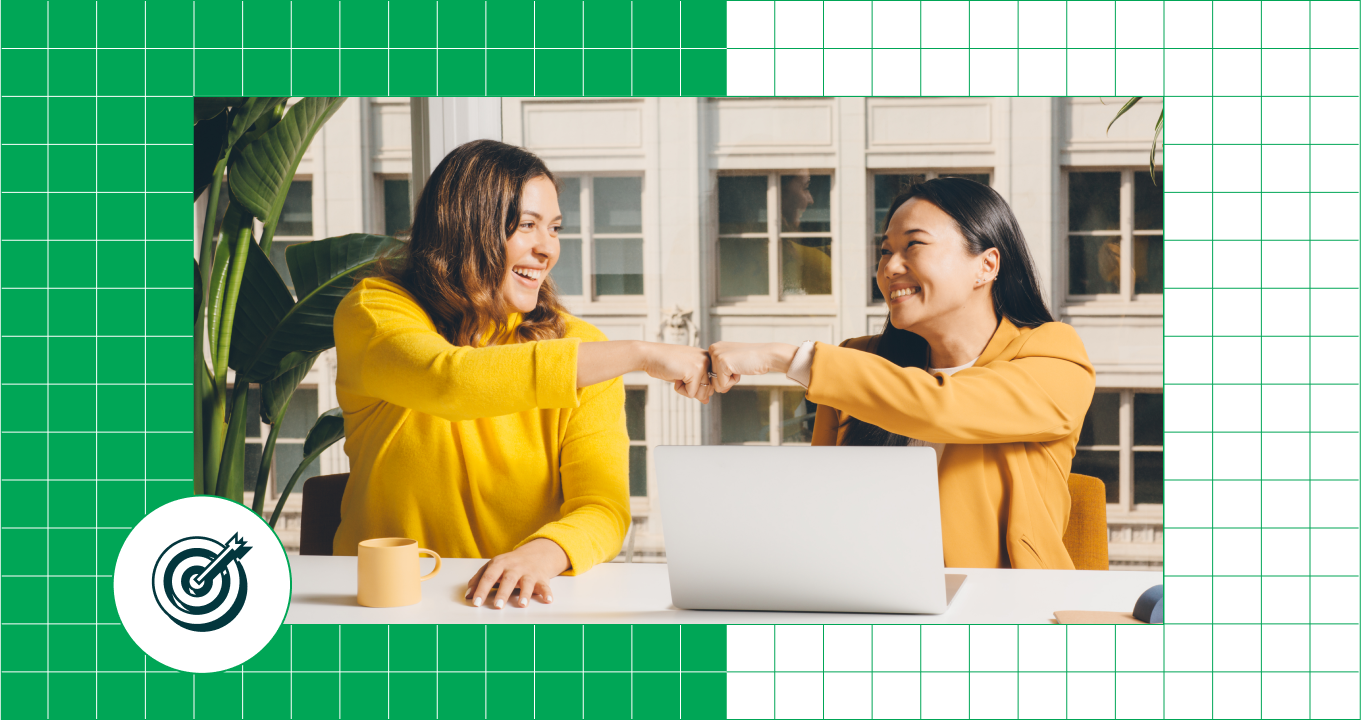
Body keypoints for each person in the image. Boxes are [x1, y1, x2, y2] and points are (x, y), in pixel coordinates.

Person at [331, 140, 714, 608]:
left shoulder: (584, 349)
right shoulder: (376, 311)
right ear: (465, 228)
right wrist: (640, 353)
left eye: (553, 228)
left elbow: (602, 508)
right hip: (386, 604)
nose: (547, 248)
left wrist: (541, 555)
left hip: (517, 605)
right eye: (527, 226)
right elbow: (450, 381)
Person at [707, 177, 1095, 569]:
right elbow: (821, 505)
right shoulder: (859, 359)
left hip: (1003, 611)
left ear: (987, 264)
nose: (890, 267)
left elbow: (941, 406)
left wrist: (785, 357)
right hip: (863, 603)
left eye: (914, 244)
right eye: (885, 251)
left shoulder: (1053, 354)